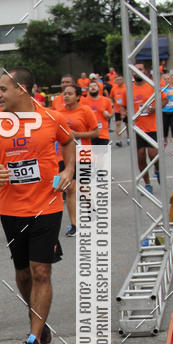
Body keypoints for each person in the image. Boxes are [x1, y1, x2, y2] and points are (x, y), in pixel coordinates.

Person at [0, 67, 75, 344]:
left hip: (47, 205)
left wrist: (68, 170)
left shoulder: (51, 118)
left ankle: (33, 339)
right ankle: (38, 321)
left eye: (3, 89)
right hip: (11, 208)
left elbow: (68, 141)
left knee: (41, 270)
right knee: (22, 274)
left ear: (23, 90)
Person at [60, 84, 99, 236]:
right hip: (63, 155)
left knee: (83, 188)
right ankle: (74, 225)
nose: (66, 96)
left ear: (77, 96)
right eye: (64, 93)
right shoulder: (58, 113)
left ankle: (91, 207)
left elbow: (96, 132)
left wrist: (77, 135)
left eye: (70, 93)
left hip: (83, 153)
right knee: (70, 188)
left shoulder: (85, 111)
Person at [132, 63, 166, 193]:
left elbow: (165, 100)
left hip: (152, 126)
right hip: (138, 128)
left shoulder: (152, 85)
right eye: (135, 70)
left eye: (140, 69)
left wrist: (154, 108)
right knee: (141, 156)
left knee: (153, 154)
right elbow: (123, 105)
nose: (137, 72)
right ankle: (147, 184)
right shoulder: (129, 89)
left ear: (144, 71)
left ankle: (157, 169)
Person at [85, 80, 113, 145]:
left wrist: (108, 115)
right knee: (89, 155)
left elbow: (111, 114)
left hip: (102, 134)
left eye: (95, 86)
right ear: (88, 89)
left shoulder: (106, 100)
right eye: (90, 86)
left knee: (102, 155)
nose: (93, 87)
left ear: (99, 88)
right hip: (87, 134)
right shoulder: (83, 101)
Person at [109, 74, 128, 146]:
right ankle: (119, 139)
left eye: (120, 79)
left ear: (123, 80)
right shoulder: (114, 88)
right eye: (117, 80)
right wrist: (111, 103)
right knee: (118, 124)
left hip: (126, 108)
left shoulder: (126, 87)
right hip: (117, 109)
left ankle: (129, 137)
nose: (119, 81)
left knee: (127, 124)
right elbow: (111, 97)